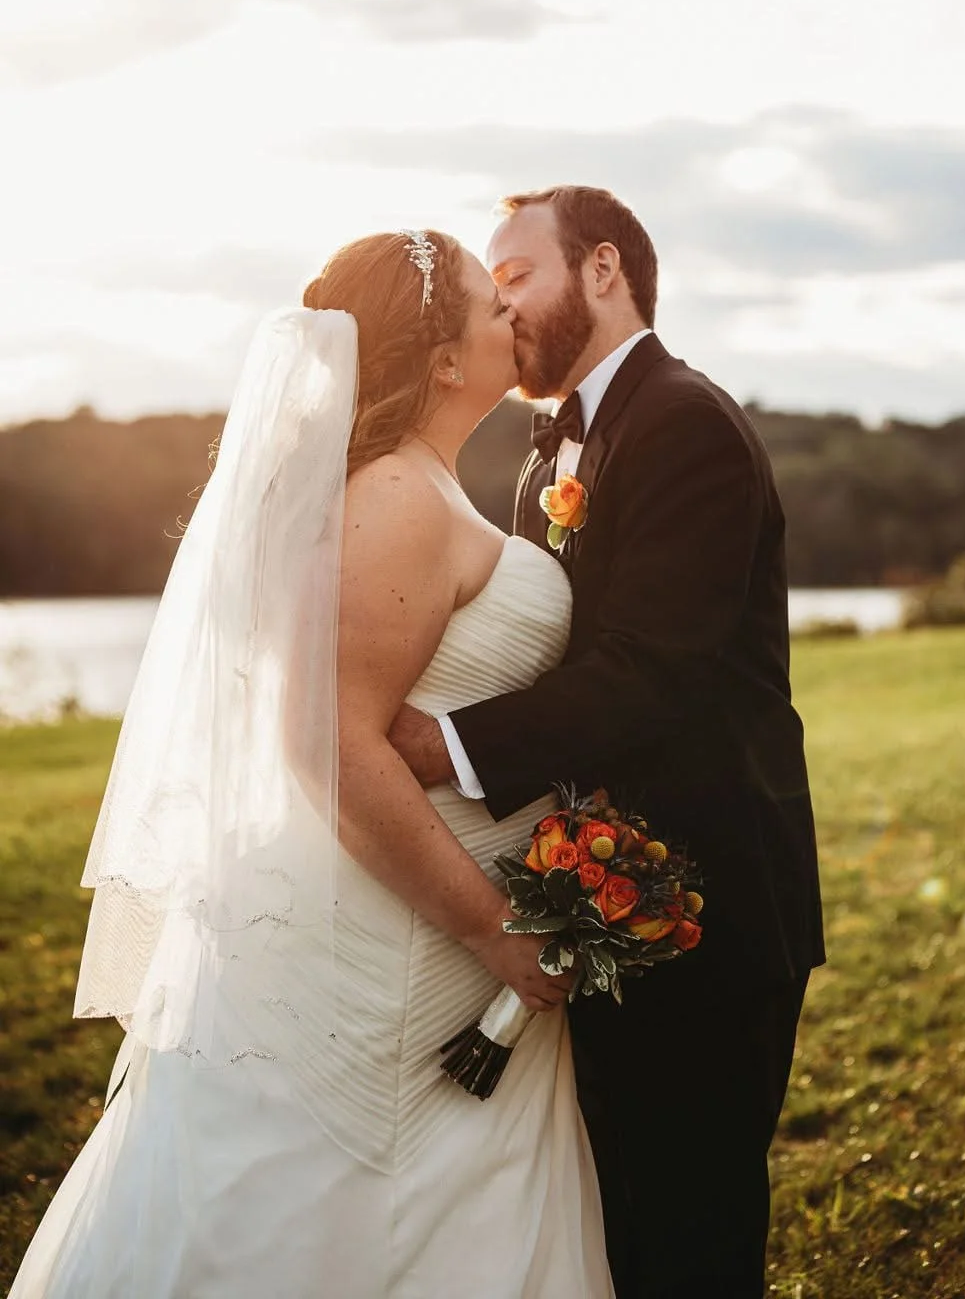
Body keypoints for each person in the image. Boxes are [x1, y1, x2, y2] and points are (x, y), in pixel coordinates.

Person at [10, 230, 612, 1299]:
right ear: (435, 359)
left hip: (438, 956)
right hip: (403, 951)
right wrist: (493, 926)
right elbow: (325, 743)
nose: (510, 317)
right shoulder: (390, 495)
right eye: (487, 306)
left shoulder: (424, 487)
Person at [390, 186, 827, 1299]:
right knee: (621, 1213)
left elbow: (655, 668)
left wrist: (448, 747)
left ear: (599, 269)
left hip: (708, 901)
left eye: (516, 275)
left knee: (690, 1225)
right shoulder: (550, 457)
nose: (500, 301)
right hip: (604, 892)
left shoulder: (683, 421)